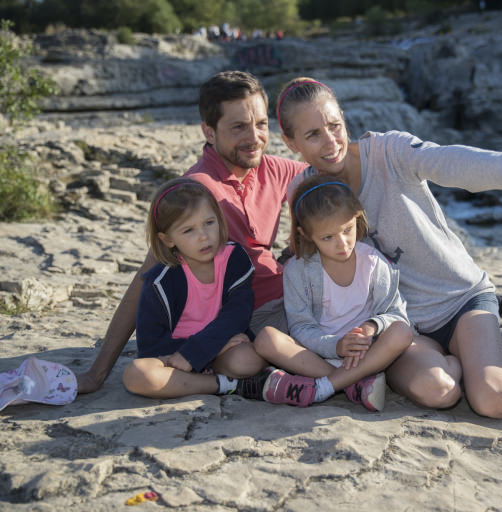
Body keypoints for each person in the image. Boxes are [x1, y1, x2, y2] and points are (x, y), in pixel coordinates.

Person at [275, 77, 502, 418]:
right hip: (399, 325)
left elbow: (448, 160)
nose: (330, 142)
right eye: (313, 134)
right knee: (439, 391)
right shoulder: (303, 191)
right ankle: (492, 347)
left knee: (497, 400)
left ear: (344, 119)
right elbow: (305, 257)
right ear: (290, 141)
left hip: (459, 300)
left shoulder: (389, 152)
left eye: (334, 126)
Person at [77, 71, 307, 394]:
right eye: (239, 126)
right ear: (209, 132)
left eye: (261, 124)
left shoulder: (273, 168)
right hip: (249, 312)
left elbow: (332, 178)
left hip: (289, 294)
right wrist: (97, 373)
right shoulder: (199, 192)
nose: (254, 137)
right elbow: (147, 276)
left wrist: (299, 236)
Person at [278, 175, 413, 411]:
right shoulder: (297, 272)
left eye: (347, 229)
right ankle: (353, 383)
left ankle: (323, 388)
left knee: (402, 332)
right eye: (327, 237)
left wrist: (372, 327)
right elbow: (300, 327)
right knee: (268, 340)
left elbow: (396, 313)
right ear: (306, 234)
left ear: (357, 217)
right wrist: (335, 346)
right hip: (318, 355)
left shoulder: (373, 262)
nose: (342, 244)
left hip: (366, 354)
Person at [123, 178, 259, 398]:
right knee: (137, 375)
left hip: (221, 348)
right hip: (175, 355)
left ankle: (209, 378)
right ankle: (222, 385)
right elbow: (150, 347)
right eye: (188, 230)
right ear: (167, 239)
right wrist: (193, 352)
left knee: (248, 360)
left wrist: (210, 349)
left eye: (209, 223)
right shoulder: (160, 282)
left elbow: (237, 315)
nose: (204, 236)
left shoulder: (234, 258)